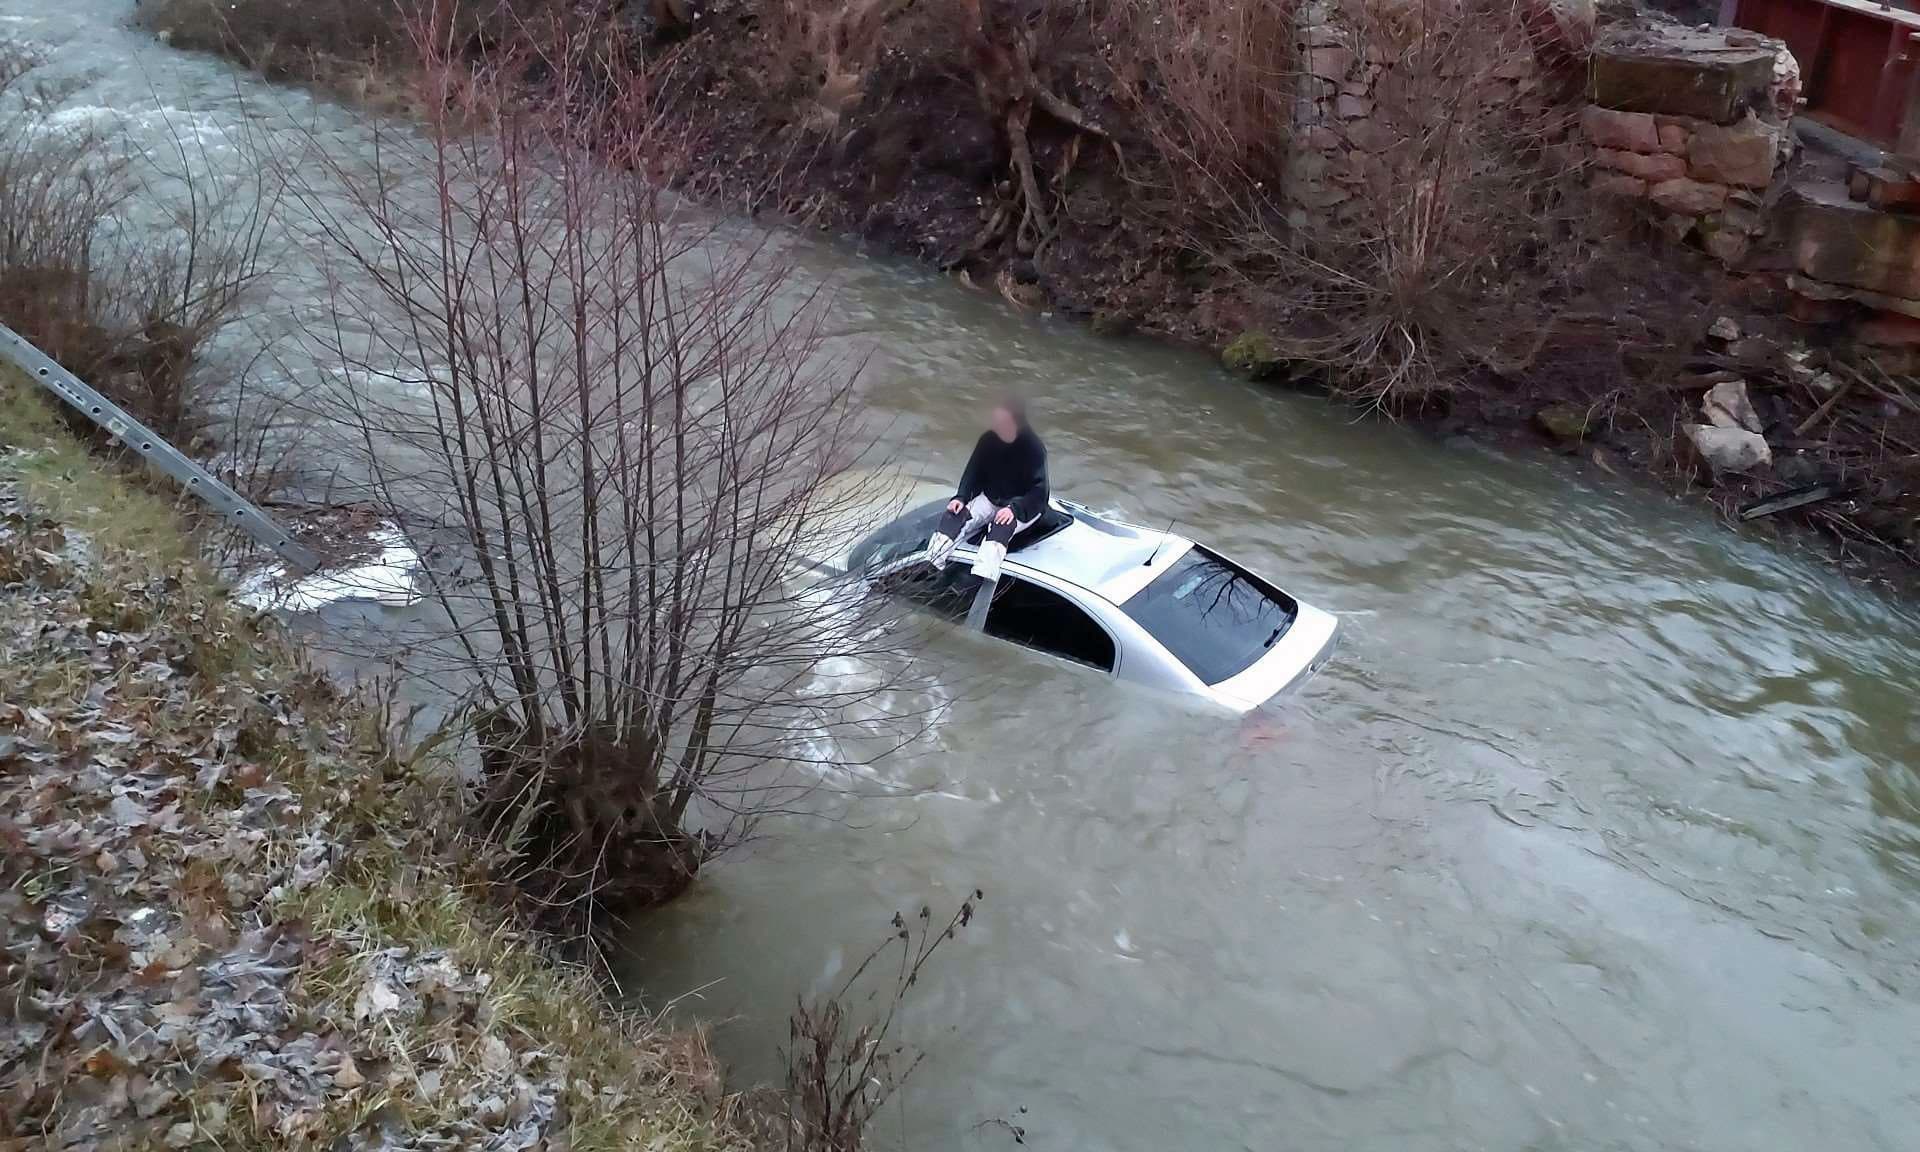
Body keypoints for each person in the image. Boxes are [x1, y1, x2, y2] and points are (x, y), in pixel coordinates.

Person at [927, 398, 1048, 577]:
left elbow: (1039, 491)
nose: (997, 426)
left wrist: (1014, 509)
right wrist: (961, 497)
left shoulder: (1033, 448)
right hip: (991, 498)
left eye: (1002, 422)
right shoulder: (988, 440)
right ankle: (930, 566)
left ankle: (981, 578)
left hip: (1022, 506)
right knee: (954, 517)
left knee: (1001, 528)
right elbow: (972, 473)